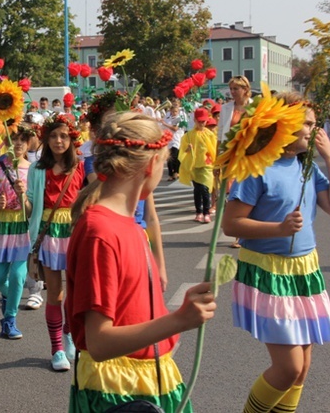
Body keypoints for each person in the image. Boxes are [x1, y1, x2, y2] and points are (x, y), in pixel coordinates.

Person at [66, 111, 217, 412]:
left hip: (146, 380)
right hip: (119, 393)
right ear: (151, 165)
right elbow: (99, 343)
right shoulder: (102, 232)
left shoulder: (126, 224)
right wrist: (179, 320)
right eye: (165, 160)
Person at [222, 94, 330, 413]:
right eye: (306, 123)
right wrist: (278, 229)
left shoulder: (305, 165)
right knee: (288, 368)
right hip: (269, 272)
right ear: (283, 126)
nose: (313, 128)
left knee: (302, 367)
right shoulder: (258, 168)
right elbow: (231, 223)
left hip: (304, 271)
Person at [24, 113, 84, 371]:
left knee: (75, 293)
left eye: (64, 136)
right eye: (54, 136)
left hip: (74, 233)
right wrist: (20, 196)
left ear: (72, 138)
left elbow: (90, 199)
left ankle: (69, 335)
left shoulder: (81, 167)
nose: (59, 141)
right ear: (46, 140)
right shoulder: (37, 170)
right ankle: (56, 348)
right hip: (47, 235)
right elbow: (29, 208)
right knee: (55, 295)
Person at [0, 125, 31, 340]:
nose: (18, 143)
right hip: (2, 227)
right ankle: (8, 295)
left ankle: (10, 319)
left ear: (29, 144)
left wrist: (24, 198)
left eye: (23, 139)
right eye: (13, 138)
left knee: (19, 276)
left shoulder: (34, 170)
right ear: (6, 140)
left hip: (22, 227)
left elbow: (32, 209)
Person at [178, 107, 217, 223]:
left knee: (205, 190)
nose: (201, 123)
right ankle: (198, 212)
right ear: (195, 120)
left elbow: (214, 148)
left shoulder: (210, 134)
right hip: (194, 166)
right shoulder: (188, 136)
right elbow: (182, 151)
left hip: (206, 166)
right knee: (197, 190)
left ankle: (206, 212)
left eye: (203, 121)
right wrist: (187, 149)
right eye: (199, 121)